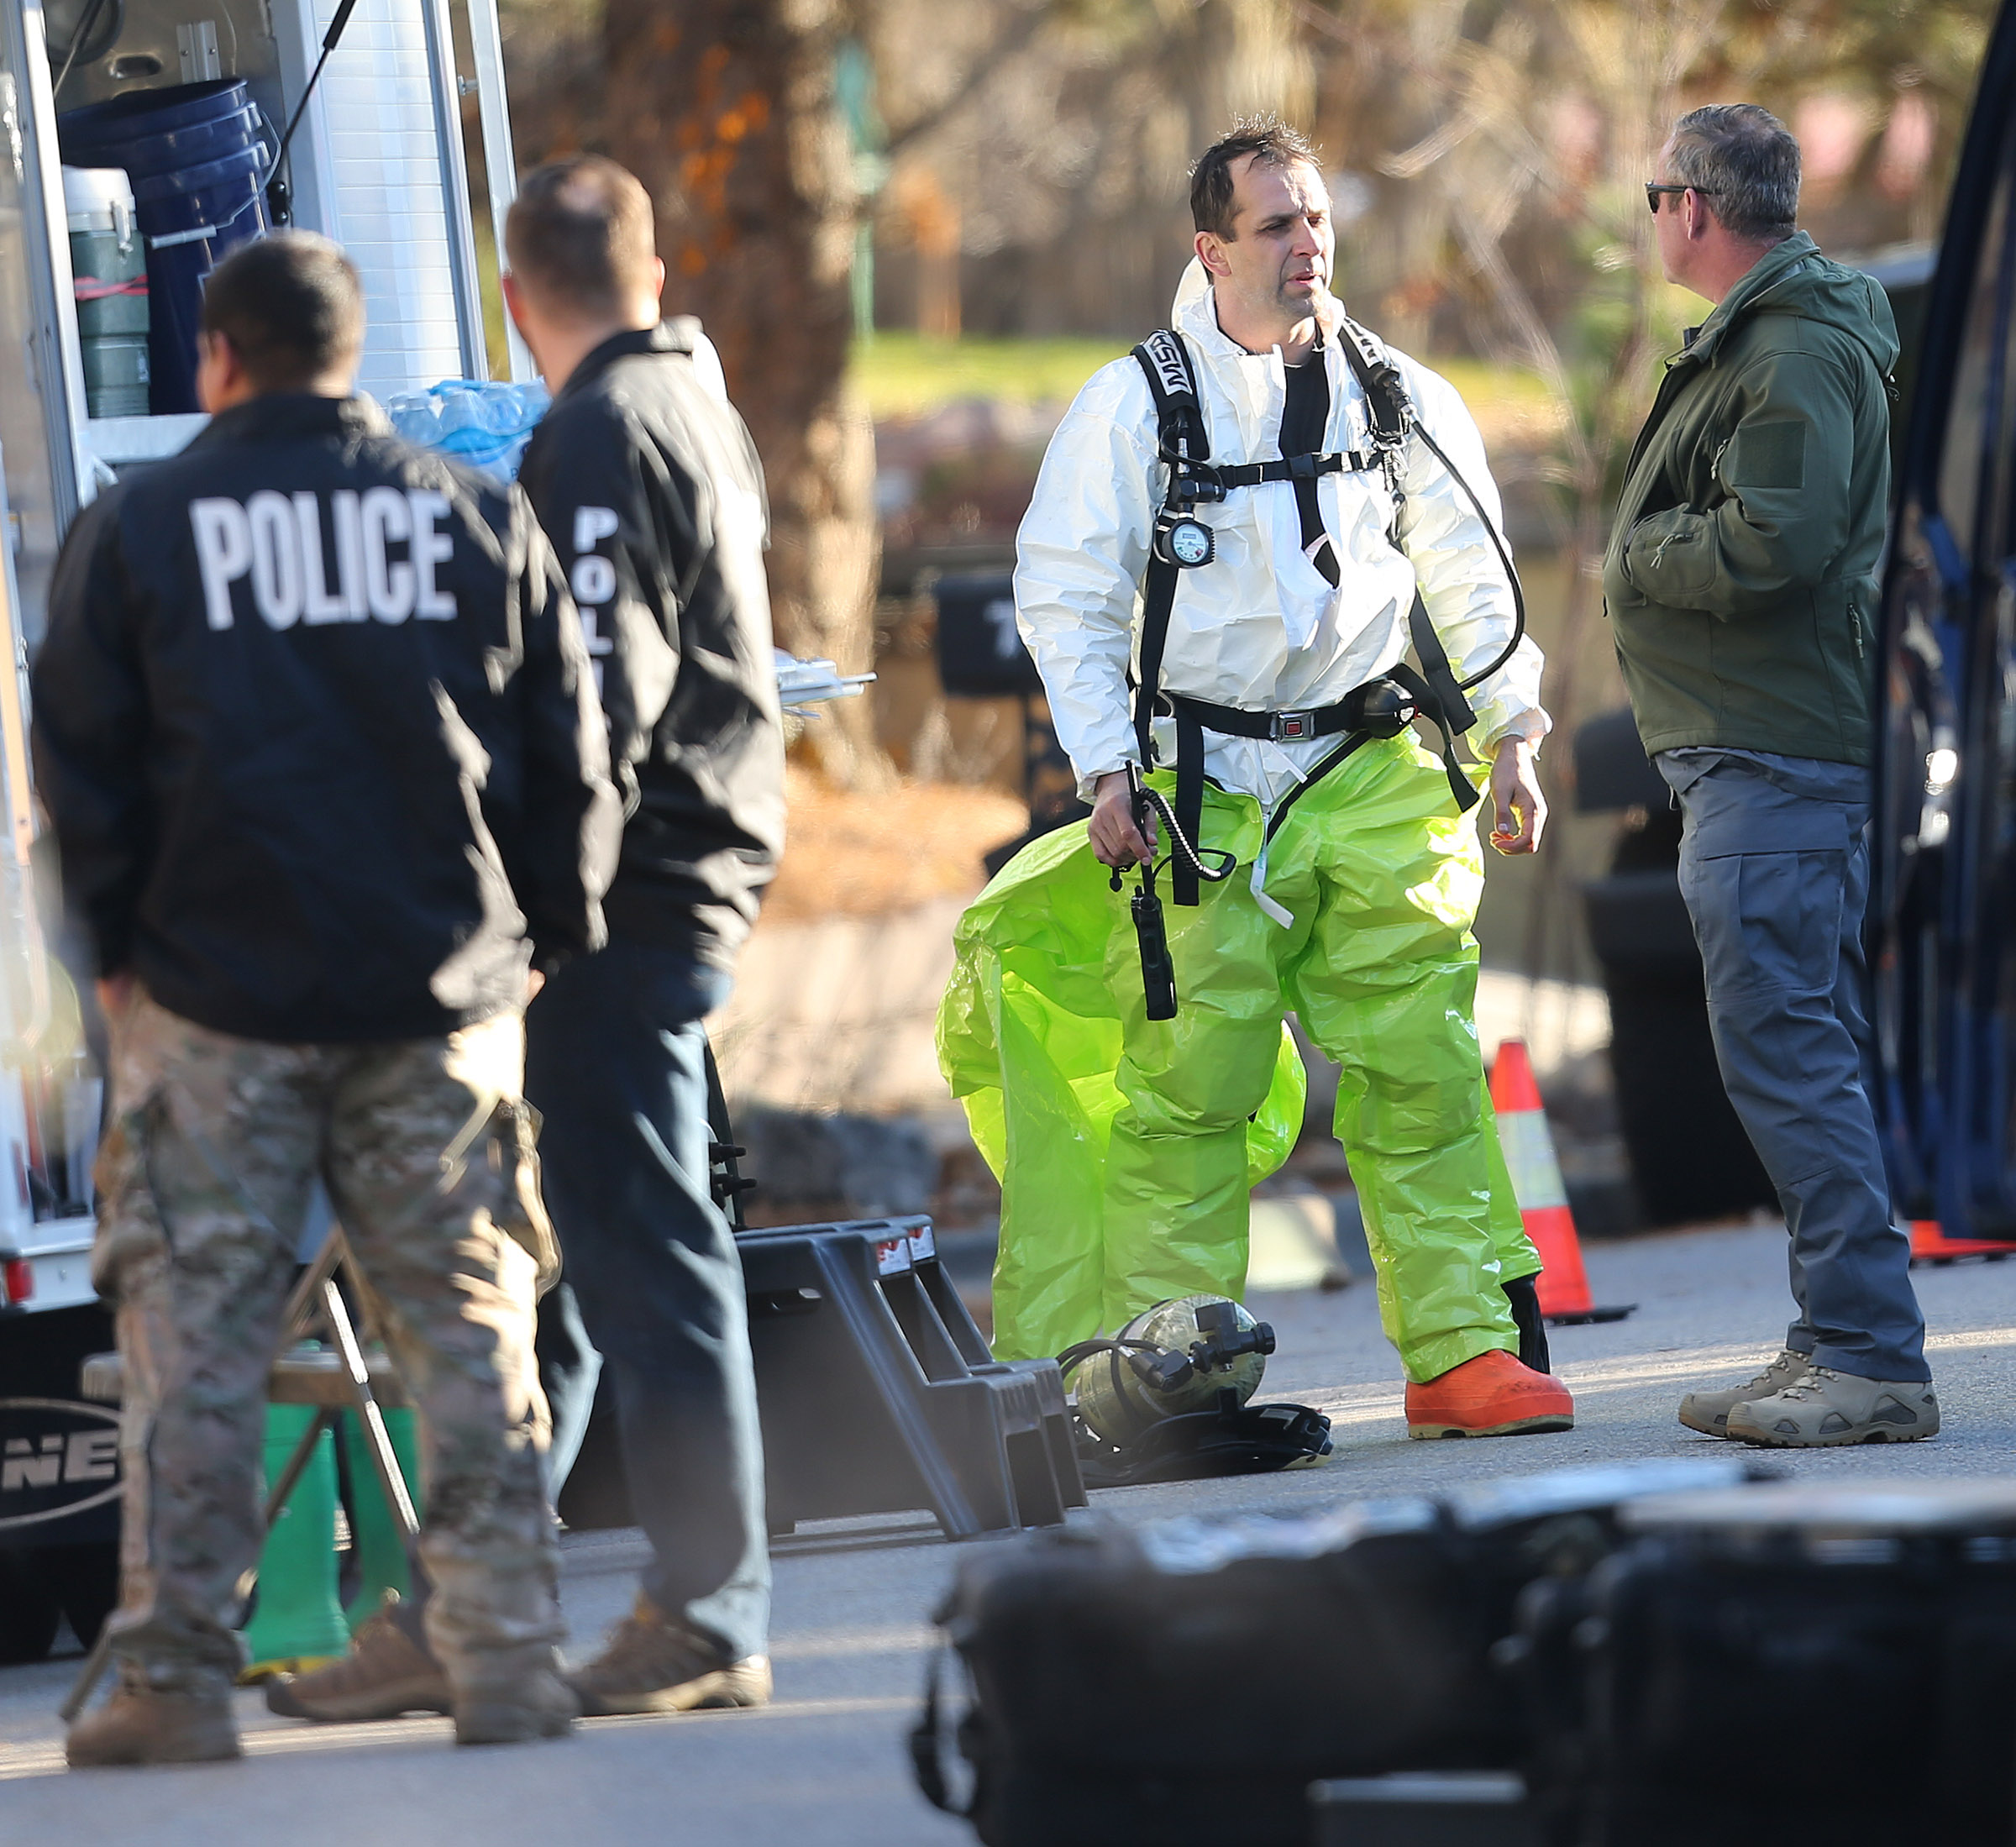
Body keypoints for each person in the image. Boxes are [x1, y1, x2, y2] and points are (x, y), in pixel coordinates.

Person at [34, 232, 622, 1766]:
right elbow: (575, 759)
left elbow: (78, 776)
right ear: (350, 355)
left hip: (214, 1005)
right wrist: (547, 936)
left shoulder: (141, 528)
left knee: (197, 1343)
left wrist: (109, 962)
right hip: (439, 1000)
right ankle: (502, 1660)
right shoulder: (476, 517)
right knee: (468, 1332)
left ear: (216, 358)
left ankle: (177, 1681)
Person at [937, 118, 1572, 1440]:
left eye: (1319, 220)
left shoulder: (1394, 395)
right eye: (1278, 224)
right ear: (1212, 245)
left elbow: (1467, 569)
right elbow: (1068, 594)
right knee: (1192, 1090)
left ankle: (1462, 1354)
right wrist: (1106, 769)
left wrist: (1514, 732)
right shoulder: (1132, 405)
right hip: (1199, 782)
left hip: (1367, 762)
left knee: (1424, 1064)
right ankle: (1174, 1380)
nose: (1308, 246)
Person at [276, 156, 785, 1723]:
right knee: (564, 1265)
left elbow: (601, 692)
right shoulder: (693, 398)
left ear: (516, 297)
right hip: (671, 878)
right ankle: (459, 1603)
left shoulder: (600, 433)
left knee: (646, 1252)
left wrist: (545, 910)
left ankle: (709, 1612)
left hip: (624, 898)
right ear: (646, 260)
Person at [1605, 104, 1935, 1446]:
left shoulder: (1791, 346)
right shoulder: (1779, 333)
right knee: (1800, 1053)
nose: (1655, 220)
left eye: (1655, 198)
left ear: (1693, 206)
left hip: (1776, 754)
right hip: (1760, 751)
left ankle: (1869, 1355)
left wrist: (1635, 557)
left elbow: (1776, 542)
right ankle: (1832, 1339)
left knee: (1789, 1059)